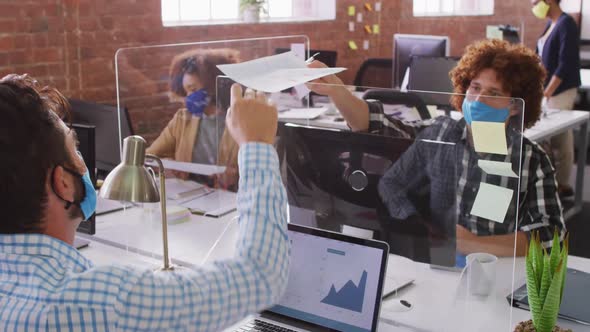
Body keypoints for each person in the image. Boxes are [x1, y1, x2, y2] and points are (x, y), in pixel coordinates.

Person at [0, 74, 289, 331]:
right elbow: (259, 273)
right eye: (74, 148)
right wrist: (257, 147)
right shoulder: (100, 301)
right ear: (63, 183)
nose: (82, 159)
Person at [307, 39, 565, 257]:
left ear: (515, 107)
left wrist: (470, 244)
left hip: (492, 275)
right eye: (475, 87)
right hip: (432, 264)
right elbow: (374, 123)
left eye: (494, 93)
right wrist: (336, 89)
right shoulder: (441, 134)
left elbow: (552, 239)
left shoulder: (531, 159)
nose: (478, 100)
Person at [147, 48, 241, 190]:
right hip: (189, 195)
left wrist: (237, 175)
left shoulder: (241, 121)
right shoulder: (183, 119)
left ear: (213, 86)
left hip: (229, 199)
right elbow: (149, 156)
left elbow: (260, 170)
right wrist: (165, 165)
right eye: (185, 92)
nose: (187, 98)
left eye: (193, 89)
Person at [532, 0, 581, 198]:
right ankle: (551, 181)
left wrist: (547, 92)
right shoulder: (550, 24)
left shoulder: (566, 23)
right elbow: (540, 56)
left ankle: (563, 184)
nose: (533, 5)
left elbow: (565, 64)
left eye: (535, 1)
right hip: (547, 89)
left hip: (561, 89)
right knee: (548, 138)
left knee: (561, 137)